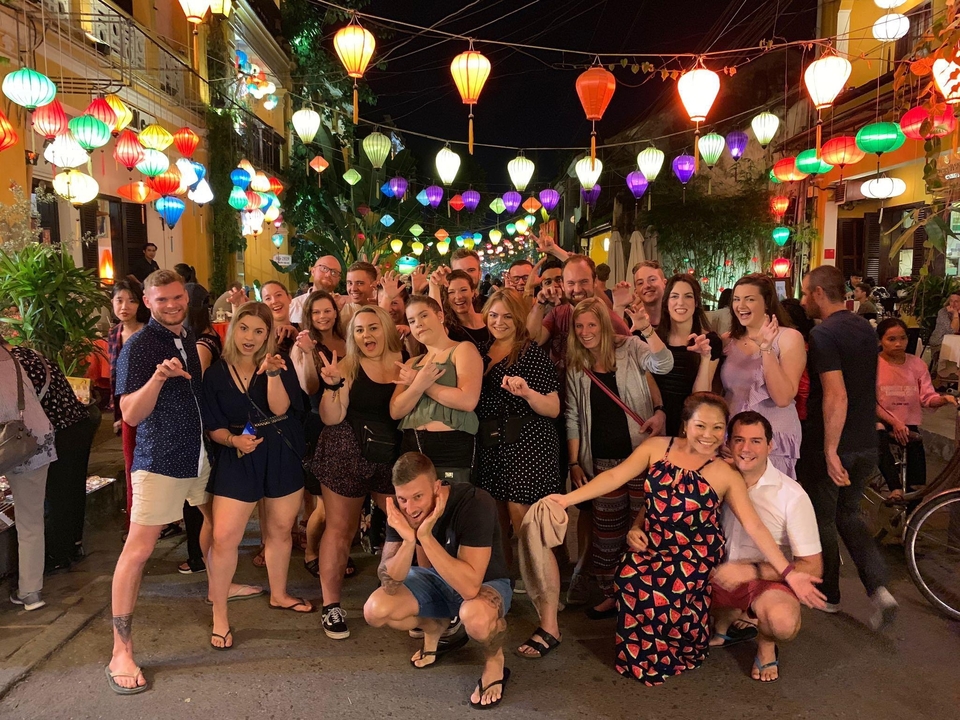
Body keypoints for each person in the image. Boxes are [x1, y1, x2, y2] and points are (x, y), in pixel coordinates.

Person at [546, 393, 825, 686]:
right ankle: (637, 656)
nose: (709, 435)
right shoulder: (656, 448)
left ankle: (680, 651)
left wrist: (789, 573)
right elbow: (616, 478)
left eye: (718, 428)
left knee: (665, 592)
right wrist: (566, 500)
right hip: (654, 542)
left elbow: (755, 526)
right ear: (685, 424)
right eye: (701, 425)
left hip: (694, 553)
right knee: (630, 577)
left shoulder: (724, 471)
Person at [106, 270, 218, 694]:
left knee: (215, 524)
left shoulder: (186, 335)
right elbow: (130, 414)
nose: (171, 305)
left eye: (177, 298)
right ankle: (120, 651)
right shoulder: (138, 346)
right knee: (138, 551)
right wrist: (157, 378)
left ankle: (219, 589)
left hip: (197, 455)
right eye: (162, 300)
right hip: (160, 462)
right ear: (148, 302)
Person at [363, 452, 512, 709]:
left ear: (436, 487)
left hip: (486, 583)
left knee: (475, 617)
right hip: (438, 579)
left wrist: (425, 536)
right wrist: (408, 540)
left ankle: (494, 660)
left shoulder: (474, 502)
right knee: (375, 610)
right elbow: (389, 582)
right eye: (402, 499)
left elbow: (469, 588)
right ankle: (434, 627)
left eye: (418, 497)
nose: (410, 508)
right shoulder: (401, 510)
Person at [202, 302, 310, 651]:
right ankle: (220, 615)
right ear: (233, 328)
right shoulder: (216, 373)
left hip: (279, 449)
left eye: (259, 331)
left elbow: (281, 409)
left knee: (280, 530)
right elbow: (213, 425)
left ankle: (279, 594)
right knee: (224, 537)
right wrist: (233, 440)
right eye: (244, 328)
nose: (250, 337)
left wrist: (273, 375)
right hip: (237, 453)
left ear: (269, 335)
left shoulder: (279, 363)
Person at [799, 265, 897, 630]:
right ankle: (879, 590)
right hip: (866, 442)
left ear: (819, 293)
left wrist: (829, 450)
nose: (803, 301)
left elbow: (836, 395)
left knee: (824, 516)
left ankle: (829, 594)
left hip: (835, 441)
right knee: (849, 515)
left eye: (806, 293)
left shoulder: (823, 334)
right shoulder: (864, 328)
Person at [565, 297, 673, 620]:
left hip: (640, 456)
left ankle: (643, 592)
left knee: (643, 527)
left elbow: (664, 365)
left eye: (592, 324)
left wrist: (647, 330)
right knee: (607, 534)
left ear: (604, 324)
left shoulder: (631, 347)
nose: (585, 332)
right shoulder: (577, 364)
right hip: (601, 461)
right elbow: (572, 415)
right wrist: (574, 462)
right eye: (579, 326)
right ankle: (613, 594)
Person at [709, 411, 823, 682]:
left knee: (783, 623)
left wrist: (751, 571)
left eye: (756, 441)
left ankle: (766, 643)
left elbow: (812, 566)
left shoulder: (791, 495)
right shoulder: (715, 475)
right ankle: (727, 616)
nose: (746, 448)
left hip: (763, 582)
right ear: (728, 443)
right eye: (739, 440)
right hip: (714, 573)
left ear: (770, 446)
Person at [312, 306, 403, 639]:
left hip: (389, 454)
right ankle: (331, 606)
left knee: (403, 521)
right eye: (360, 330)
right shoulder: (347, 366)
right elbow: (331, 417)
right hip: (346, 450)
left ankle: (402, 595)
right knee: (340, 528)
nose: (367, 335)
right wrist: (333, 386)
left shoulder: (405, 360)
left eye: (373, 327)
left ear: (386, 329)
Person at [476, 288, 561, 572]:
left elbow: (553, 407)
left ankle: (538, 579)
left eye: (507, 317)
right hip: (491, 442)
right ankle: (505, 579)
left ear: (519, 319)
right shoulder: (479, 351)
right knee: (495, 517)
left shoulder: (530, 353)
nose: (499, 322)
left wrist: (527, 393)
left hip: (527, 442)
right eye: (494, 315)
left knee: (522, 515)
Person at [5, 339, 100, 575]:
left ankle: (57, 554)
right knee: (71, 489)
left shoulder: (13, 364)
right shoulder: (28, 354)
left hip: (57, 432)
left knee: (56, 494)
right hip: (75, 425)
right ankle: (72, 546)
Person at [722, 274, 806, 478]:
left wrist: (766, 348)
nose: (741, 306)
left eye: (749, 299)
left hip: (773, 438)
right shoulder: (727, 340)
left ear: (766, 303)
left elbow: (783, 398)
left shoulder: (789, 338)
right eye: (736, 299)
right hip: (734, 436)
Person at [391, 295, 482, 482]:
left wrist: (422, 383)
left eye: (423, 315)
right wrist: (417, 384)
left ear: (440, 316)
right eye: (412, 321)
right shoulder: (411, 362)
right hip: (413, 443)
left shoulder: (463, 349)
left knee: (452, 497)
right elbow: (396, 411)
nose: (418, 323)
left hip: (452, 445)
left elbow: (467, 400)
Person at [1, 343, 56, 611]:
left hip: (14, 444)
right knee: (31, 520)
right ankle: (31, 593)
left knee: (30, 520)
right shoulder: (11, 355)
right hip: (32, 439)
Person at [875, 318, 956, 498]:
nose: (898, 344)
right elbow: (870, 402)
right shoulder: (873, 364)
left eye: (902, 338)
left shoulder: (917, 364)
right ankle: (895, 488)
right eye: (891, 339)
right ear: (880, 341)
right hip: (881, 419)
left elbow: (927, 397)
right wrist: (894, 422)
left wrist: (944, 399)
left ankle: (912, 508)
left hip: (907, 422)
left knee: (917, 480)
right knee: (877, 433)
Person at [177, 304, 224, 575]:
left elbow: (198, 388)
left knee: (199, 505)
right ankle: (209, 563)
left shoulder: (200, 344)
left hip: (202, 431)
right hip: (209, 429)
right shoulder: (210, 337)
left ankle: (201, 559)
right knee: (204, 504)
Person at [655, 274, 722, 436]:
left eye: (688, 296)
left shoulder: (710, 341)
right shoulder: (654, 339)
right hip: (655, 420)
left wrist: (705, 357)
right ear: (666, 302)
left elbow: (700, 398)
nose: (681, 302)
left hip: (691, 425)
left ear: (696, 302)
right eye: (674, 296)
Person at [107, 282, 149, 538]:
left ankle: (155, 522)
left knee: (149, 469)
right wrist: (118, 414)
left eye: (131, 300)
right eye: (119, 300)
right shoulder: (114, 334)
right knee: (130, 466)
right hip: (126, 411)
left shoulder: (149, 331)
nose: (124, 306)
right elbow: (114, 378)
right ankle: (133, 523)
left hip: (150, 409)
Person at [431, 268, 490, 349]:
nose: (458, 296)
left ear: (473, 291)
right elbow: (434, 327)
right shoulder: (448, 329)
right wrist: (434, 286)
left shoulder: (490, 319)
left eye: (463, 290)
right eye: (451, 292)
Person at [290, 256, 344, 324]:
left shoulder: (346, 307)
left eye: (334, 272)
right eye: (324, 268)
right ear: (313, 271)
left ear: (338, 279)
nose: (328, 275)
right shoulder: (294, 306)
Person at [260, 281, 300, 355]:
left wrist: (297, 337)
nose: (274, 301)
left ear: (289, 298)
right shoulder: (261, 335)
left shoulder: (303, 329)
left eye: (278, 295)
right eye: (268, 298)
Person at [341, 261, 379, 330]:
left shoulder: (387, 308)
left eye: (359, 283)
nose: (353, 289)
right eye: (350, 283)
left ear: (374, 284)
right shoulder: (342, 312)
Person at [927, 290, 960, 370]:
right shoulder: (943, 312)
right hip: (940, 343)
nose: (953, 304)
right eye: (951, 301)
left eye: (956, 301)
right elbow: (952, 331)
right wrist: (955, 314)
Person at [633, 261, 667, 328]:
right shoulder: (632, 322)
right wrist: (619, 307)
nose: (646, 286)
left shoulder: (678, 318)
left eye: (652, 279)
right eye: (640, 283)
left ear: (665, 283)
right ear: (636, 292)